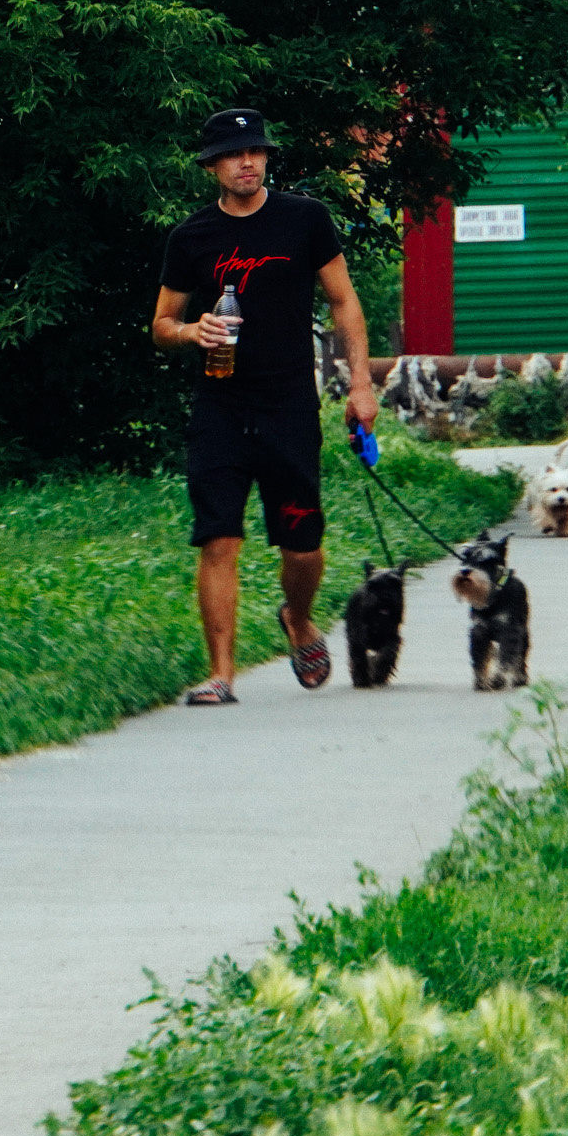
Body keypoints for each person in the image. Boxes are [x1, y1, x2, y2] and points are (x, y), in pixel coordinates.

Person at [151, 108, 380, 705]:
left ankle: (298, 619)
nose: (247, 162)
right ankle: (221, 673)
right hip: (219, 406)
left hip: (288, 405)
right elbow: (160, 324)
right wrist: (189, 332)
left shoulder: (304, 219)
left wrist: (361, 384)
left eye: (256, 151)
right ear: (212, 166)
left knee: (302, 543)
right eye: (233, 154)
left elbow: (344, 302)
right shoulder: (191, 237)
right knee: (218, 537)